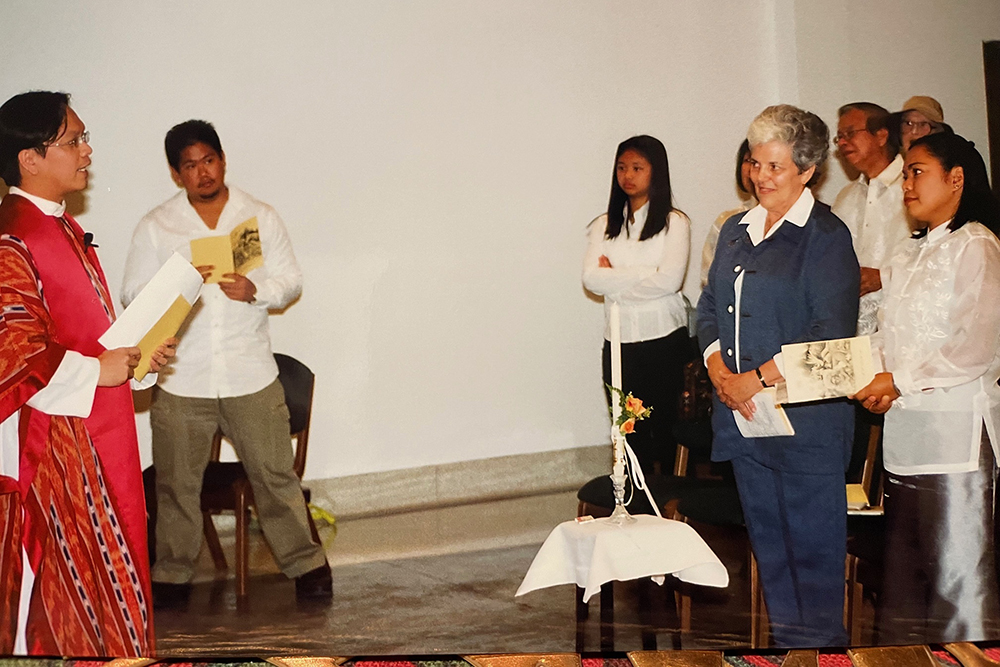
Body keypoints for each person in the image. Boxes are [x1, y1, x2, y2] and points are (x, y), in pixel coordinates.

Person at [121, 120, 331, 608]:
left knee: (275, 478)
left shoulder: (257, 216)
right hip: (182, 377)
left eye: (209, 160)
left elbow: (290, 279)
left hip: (249, 373)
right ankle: (172, 575)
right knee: (176, 485)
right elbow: (132, 292)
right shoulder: (158, 226)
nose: (202, 172)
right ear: (177, 174)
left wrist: (258, 290)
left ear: (223, 160)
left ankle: (307, 566)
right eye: (190, 165)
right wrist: (177, 284)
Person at [0, 91, 174, 655]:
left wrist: (138, 356)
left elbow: (83, 329)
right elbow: (12, 349)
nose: (87, 150)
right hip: (52, 445)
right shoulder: (12, 236)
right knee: (59, 590)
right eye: (73, 140)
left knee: (111, 576)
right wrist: (96, 370)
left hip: (96, 430)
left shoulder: (59, 226)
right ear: (29, 158)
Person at [697, 104, 859, 647]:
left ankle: (825, 656)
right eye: (755, 163)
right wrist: (720, 369)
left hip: (806, 424)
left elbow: (828, 335)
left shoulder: (827, 237)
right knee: (771, 554)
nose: (760, 177)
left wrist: (758, 379)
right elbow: (708, 309)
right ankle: (793, 655)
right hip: (745, 420)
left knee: (814, 561)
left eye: (775, 167)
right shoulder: (736, 231)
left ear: (807, 171)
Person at [853, 132, 1000, 644]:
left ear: (955, 179)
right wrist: (859, 375)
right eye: (907, 173)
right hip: (905, 434)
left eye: (917, 171)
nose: (906, 184)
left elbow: (974, 347)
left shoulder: (977, 244)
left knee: (957, 578)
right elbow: (888, 338)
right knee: (907, 578)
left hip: (955, 436)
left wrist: (898, 380)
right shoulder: (907, 254)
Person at [582, 135, 691, 476]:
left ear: (655, 173)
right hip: (618, 340)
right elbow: (591, 280)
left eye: (637, 168)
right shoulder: (604, 224)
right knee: (628, 428)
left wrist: (615, 280)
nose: (628, 175)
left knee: (665, 428)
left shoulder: (675, 223)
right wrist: (644, 275)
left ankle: (667, 504)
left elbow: (670, 281)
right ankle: (631, 501)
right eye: (622, 168)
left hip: (663, 338)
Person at [832, 102, 910, 335]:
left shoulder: (912, 188)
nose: (843, 142)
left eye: (850, 133)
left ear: (881, 136)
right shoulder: (845, 197)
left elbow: (936, 256)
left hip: (903, 323)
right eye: (839, 137)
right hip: (852, 325)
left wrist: (882, 277)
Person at [700, 139, 755, 288]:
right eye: (748, 160)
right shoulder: (727, 221)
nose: (753, 169)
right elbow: (708, 280)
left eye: (772, 165)